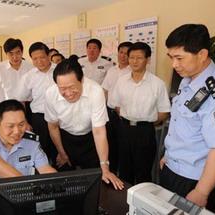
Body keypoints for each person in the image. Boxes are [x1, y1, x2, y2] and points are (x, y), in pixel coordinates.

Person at [160, 24, 215, 212]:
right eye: (171, 57)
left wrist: (202, 192)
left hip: (195, 180)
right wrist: (169, 155)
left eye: (179, 58)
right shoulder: (188, 78)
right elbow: (182, 124)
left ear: (202, 54)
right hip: (175, 169)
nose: (174, 64)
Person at [44, 57, 124, 190]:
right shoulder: (50, 94)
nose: (68, 93)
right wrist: (62, 152)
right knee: (64, 183)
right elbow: (53, 127)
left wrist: (105, 168)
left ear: (81, 80)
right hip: (66, 137)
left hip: (91, 138)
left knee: (97, 180)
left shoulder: (95, 91)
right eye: (62, 88)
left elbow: (99, 132)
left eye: (72, 87)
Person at [113, 42, 170, 185]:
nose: (134, 61)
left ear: (148, 60)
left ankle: (141, 205)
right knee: (124, 171)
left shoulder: (157, 84)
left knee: (143, 172)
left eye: (139, 58)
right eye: (131, 57)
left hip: (145, 131)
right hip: (124, 130)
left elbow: (164, 112)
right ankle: (123, 203)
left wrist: (145, 122)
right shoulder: (121, 81)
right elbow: (116, 105)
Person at [16, 42, 57, 164]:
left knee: (60, 150)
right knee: (41, 150)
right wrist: (25, 122)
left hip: (60, 117)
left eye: (42, 57)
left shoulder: (59, 70)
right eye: (35, 59)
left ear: (49, 55)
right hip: (39, 118)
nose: (39, 61)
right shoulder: (29, 76)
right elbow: (21, 99)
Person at [101, 41, 132, 173]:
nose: (123, 56)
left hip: (124, 114)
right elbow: (105, 91)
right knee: (110, 144)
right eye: (121, 52)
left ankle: (123, 174)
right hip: (110, 113)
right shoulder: (112, 70)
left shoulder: (133, 72)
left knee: (124, 146)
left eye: (127, 53)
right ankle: (111, 171)